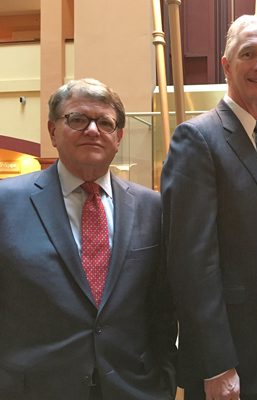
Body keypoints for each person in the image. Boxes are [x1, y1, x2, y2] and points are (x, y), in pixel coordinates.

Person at [0, 78, 177, 400]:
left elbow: (162, 307)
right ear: (53, 131)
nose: (93, 130)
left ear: (118, 137)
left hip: (134, 388)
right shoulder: (6, 203)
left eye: (105, 123)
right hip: (35, 389)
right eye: (77, 119)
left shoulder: (153, 208)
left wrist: (164, 377)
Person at [161, 15, 257, 400]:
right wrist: (217, 363)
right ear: (226, 65)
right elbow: (191, 262)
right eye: (248, 54)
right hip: (229, 366)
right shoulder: (197, 139)